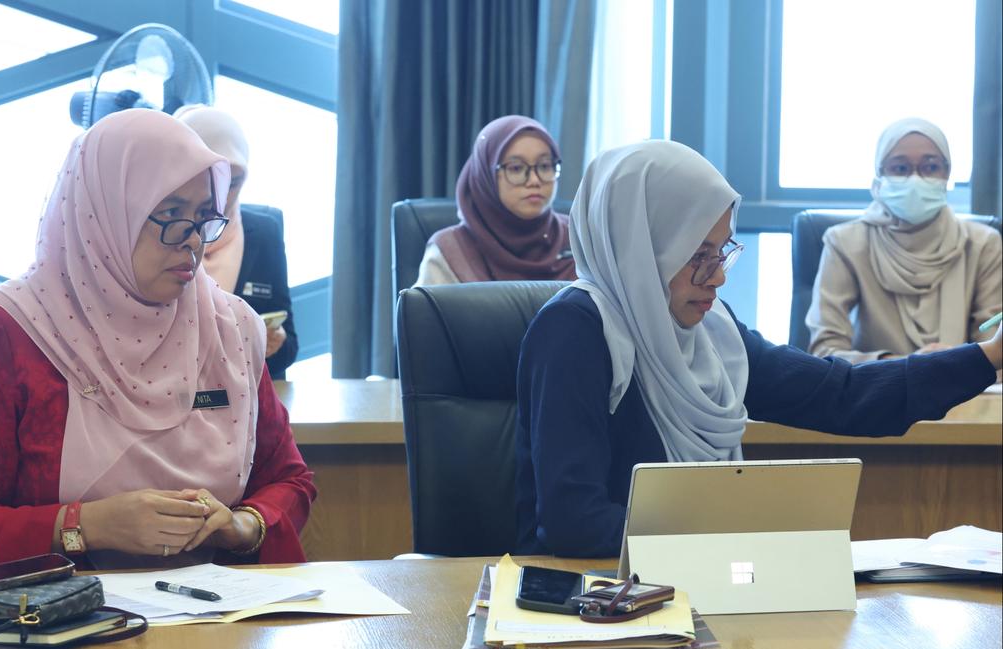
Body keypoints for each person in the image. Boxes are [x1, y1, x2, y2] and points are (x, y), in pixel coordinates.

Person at [515, 141, 1002, 558]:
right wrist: (732, 538)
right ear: (639, 247)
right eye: (697, 256)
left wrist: (991, 355)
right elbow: (573, 521)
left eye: (721, 251)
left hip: (682, 584)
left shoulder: (713, 332)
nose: (718, 278)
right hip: (584, 606)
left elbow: (843, 393)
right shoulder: (575, 330)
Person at [0, 109, 317, 575]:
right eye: (171, 215)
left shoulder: (229, 326)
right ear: (104, 213)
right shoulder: (11, 329)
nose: (193, 242)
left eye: (203, 218)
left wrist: (242, 525)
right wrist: (84, 525)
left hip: (217, 607)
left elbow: (288, 479)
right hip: (57, 612)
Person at [806, 118, 1002, 364]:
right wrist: (909, 366)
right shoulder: (845, 243)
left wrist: (950, 368)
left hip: (967, 387)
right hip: (878, 386)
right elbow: (825, 351)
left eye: (931, 167)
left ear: (947, 173)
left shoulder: (983, 244)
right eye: (900, 168)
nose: (915, 179)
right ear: (879, 175)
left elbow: (996, 349)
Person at [174, 104, 299, 378]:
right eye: (213, 179)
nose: (223, 195)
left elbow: (289, 348)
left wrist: (272, 345)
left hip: (243, 395)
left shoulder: (264, 233)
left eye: (234, 182)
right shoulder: (159, 233)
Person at [414, 115, 576, 285]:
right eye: (516, 168)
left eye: (544, 166)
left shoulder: (578, 239)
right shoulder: (450, 251)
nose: (534, 180)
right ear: (485, 176)